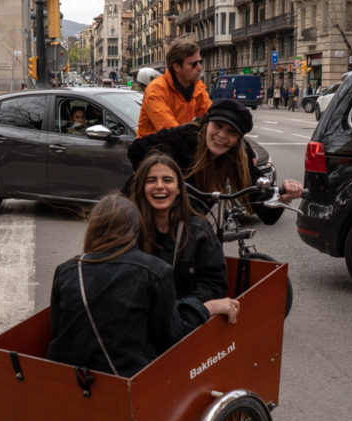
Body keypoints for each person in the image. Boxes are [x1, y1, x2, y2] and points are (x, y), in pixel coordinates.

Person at [47, 194, 210, 378]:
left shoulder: (66, 270)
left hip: (70, 378)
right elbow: (171, 339)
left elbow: (58, 330)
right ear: (136, 229)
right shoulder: (156, 271)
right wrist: (203, 308)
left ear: (93, 229)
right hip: (127, 379)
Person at [128, 98, 303, 227]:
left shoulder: (239, 156)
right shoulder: (183, 138)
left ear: (237, 140)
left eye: (231, 132)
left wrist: (282, 197)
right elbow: (135, 150)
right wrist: (163, 181)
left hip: (196, 226)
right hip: (151, 217)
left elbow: (264, 209)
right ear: (207, 124)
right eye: (218, 126)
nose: (221, 136)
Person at [130, 152, 239, 322]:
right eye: (151, 180)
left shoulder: (199, 231)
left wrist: (179, 309)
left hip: (186, 321)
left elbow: (213, 284)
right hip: (140, 318)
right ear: (141, 188)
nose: (160, 186)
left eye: (167, 180)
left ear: (179, 188)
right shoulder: (130, 229)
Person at [136, 39, 212, 137]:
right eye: (193, 64)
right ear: (176, 67)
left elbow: (211, 116)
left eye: (200, 62)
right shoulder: (156, 90)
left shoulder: (197, 87)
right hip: (151, 148)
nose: (200, 67)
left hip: (177, 145)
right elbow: (169, 129)